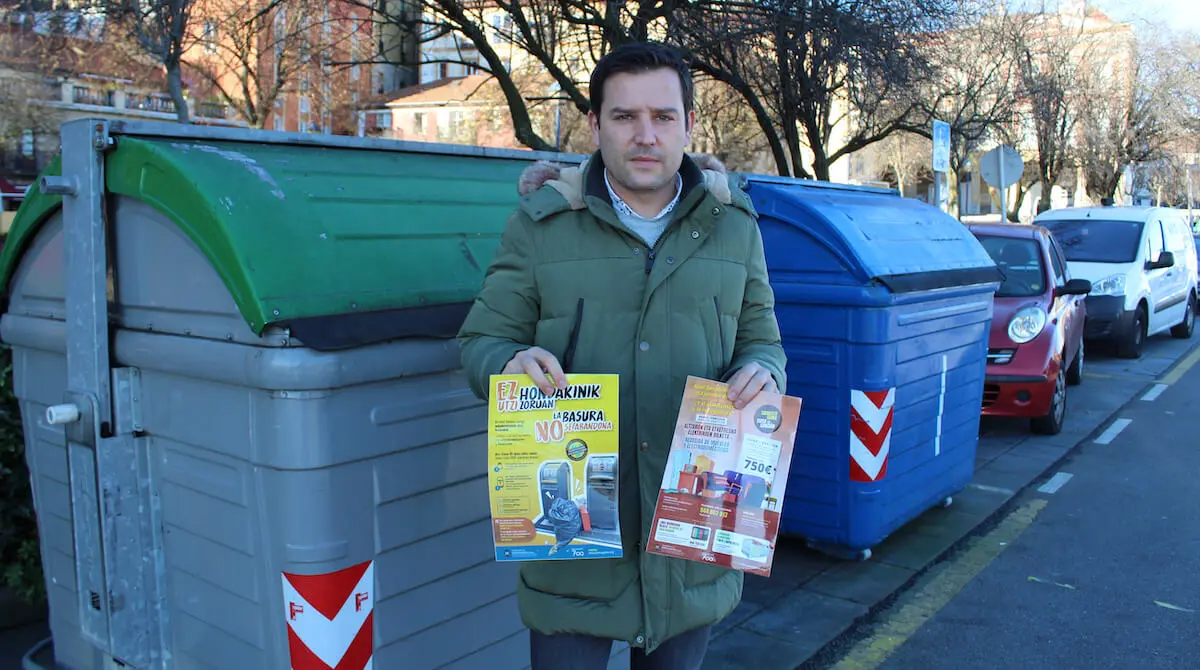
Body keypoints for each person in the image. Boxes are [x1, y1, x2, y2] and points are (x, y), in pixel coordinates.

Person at [457, 41, 787, 669]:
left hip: (690, 539)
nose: (645, 136)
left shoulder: (734, 227)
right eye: (624, 116)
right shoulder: (540, 226)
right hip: (571, 545)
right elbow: (480, 340)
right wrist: (508, 365)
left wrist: (761, 370)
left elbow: (764, 340)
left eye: (663, 117)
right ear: (595, 125)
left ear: (689, 125)